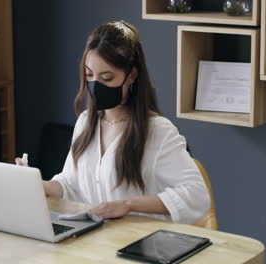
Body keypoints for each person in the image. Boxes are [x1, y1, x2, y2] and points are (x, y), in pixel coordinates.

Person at [16, 21, 210, 224]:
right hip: (93, 241)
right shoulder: (85, 123)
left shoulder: (158, 131)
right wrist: (37, 183)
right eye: (90, 75)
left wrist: (128, 205)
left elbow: (197, 195)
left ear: (132, 76)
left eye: (107, 78)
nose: (96, 85)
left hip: (138, 244)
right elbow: (71, 185)